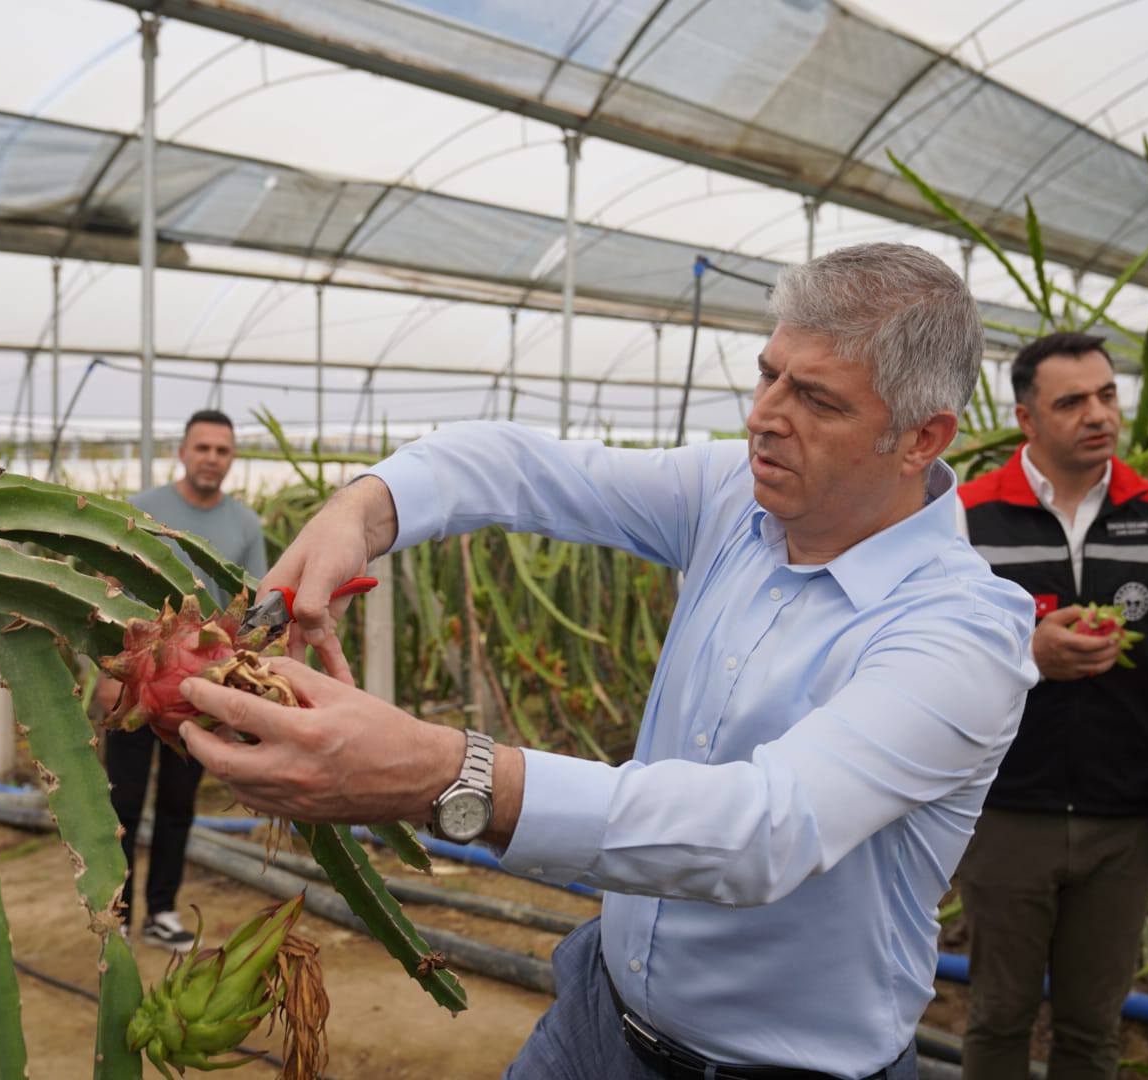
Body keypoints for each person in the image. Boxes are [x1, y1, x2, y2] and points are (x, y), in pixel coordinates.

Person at [174, 243, 1039, 1079]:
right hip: (596, 1015)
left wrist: (446, 773)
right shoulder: (734, 498)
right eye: (768, 373)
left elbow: (761, 830)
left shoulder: (960, 633)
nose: (765, 415)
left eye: (816, 398)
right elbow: (520, 467)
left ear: (921, 438)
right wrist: (362, 510)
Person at [953, 331, 1148, 1079]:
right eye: (1072, 402)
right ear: (1026, 418)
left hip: (1122, 818)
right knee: (998, 1015)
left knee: (1093, 1027)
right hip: (1006, 810)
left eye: (1106, 395)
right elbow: (936, 666)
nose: (1098, 414)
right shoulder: (967, 518)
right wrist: (1028, 656)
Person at [99, 409, 268, 949]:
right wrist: (103, 671)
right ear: (183, 452)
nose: (211, 458)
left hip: (202, 696)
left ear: (231, 458)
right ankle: (117, 913)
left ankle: (162, 912)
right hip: (134, 685)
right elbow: (106, 589)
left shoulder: (245, 525)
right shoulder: (142, 510)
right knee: (121, 802)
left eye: (222, 450)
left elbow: (252, 606)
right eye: (203, 448)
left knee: (178, 804)